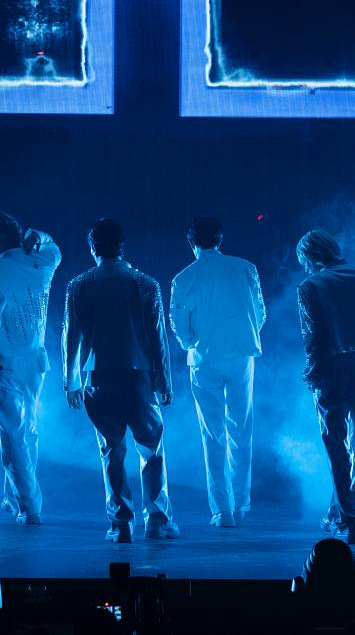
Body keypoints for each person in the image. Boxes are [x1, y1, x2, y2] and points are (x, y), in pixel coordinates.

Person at [62, 219, 178, 543]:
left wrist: (70, 381)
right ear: (122, 246)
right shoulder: (145, 283)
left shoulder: (79, 285)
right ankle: (157, 521)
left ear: (93, 247)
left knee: (111, 451)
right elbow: (157, 338)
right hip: (139, 377)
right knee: (151, 450)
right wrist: (164, 380)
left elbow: (71, 337)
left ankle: (121, 524)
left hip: (97, 377)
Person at [170, 216, 266, 528]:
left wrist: (191, 343)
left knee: (212, 433)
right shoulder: (246, 268)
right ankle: (240, 505)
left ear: (190, 242)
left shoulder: (184, 277)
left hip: (204, 358)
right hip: (241, 355)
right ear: (220, 238)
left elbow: (178, 323)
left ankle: (222, 510)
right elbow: (259, 313)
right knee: (241, 429)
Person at [0, 210, 60, 525]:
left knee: (12, 435)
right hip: (35, 362)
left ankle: (29, 506)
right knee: (29, 431)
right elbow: (54, 247)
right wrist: (39, 234)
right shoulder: (43, 261)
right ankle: (15, 498)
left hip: (4, 363)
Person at [296, 230, 355, 545]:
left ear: (311, 256)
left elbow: (313, 335)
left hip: (330, 367)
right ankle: (341, 512)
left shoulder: (310, 285)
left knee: (336, 445)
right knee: (353, 444)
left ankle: (350, 519)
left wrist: (311, 372)